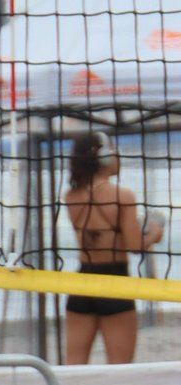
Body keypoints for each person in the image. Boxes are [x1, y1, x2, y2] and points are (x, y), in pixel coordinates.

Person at [63, 130, 164, 365]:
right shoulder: (123, 196)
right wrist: (155, 234)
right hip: (115, 281)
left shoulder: (71, 196)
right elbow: (134, 245)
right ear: (104, 157)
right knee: (121, 368)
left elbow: (95, 233)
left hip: (82, 282)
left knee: (74, 366)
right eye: (115, 150)